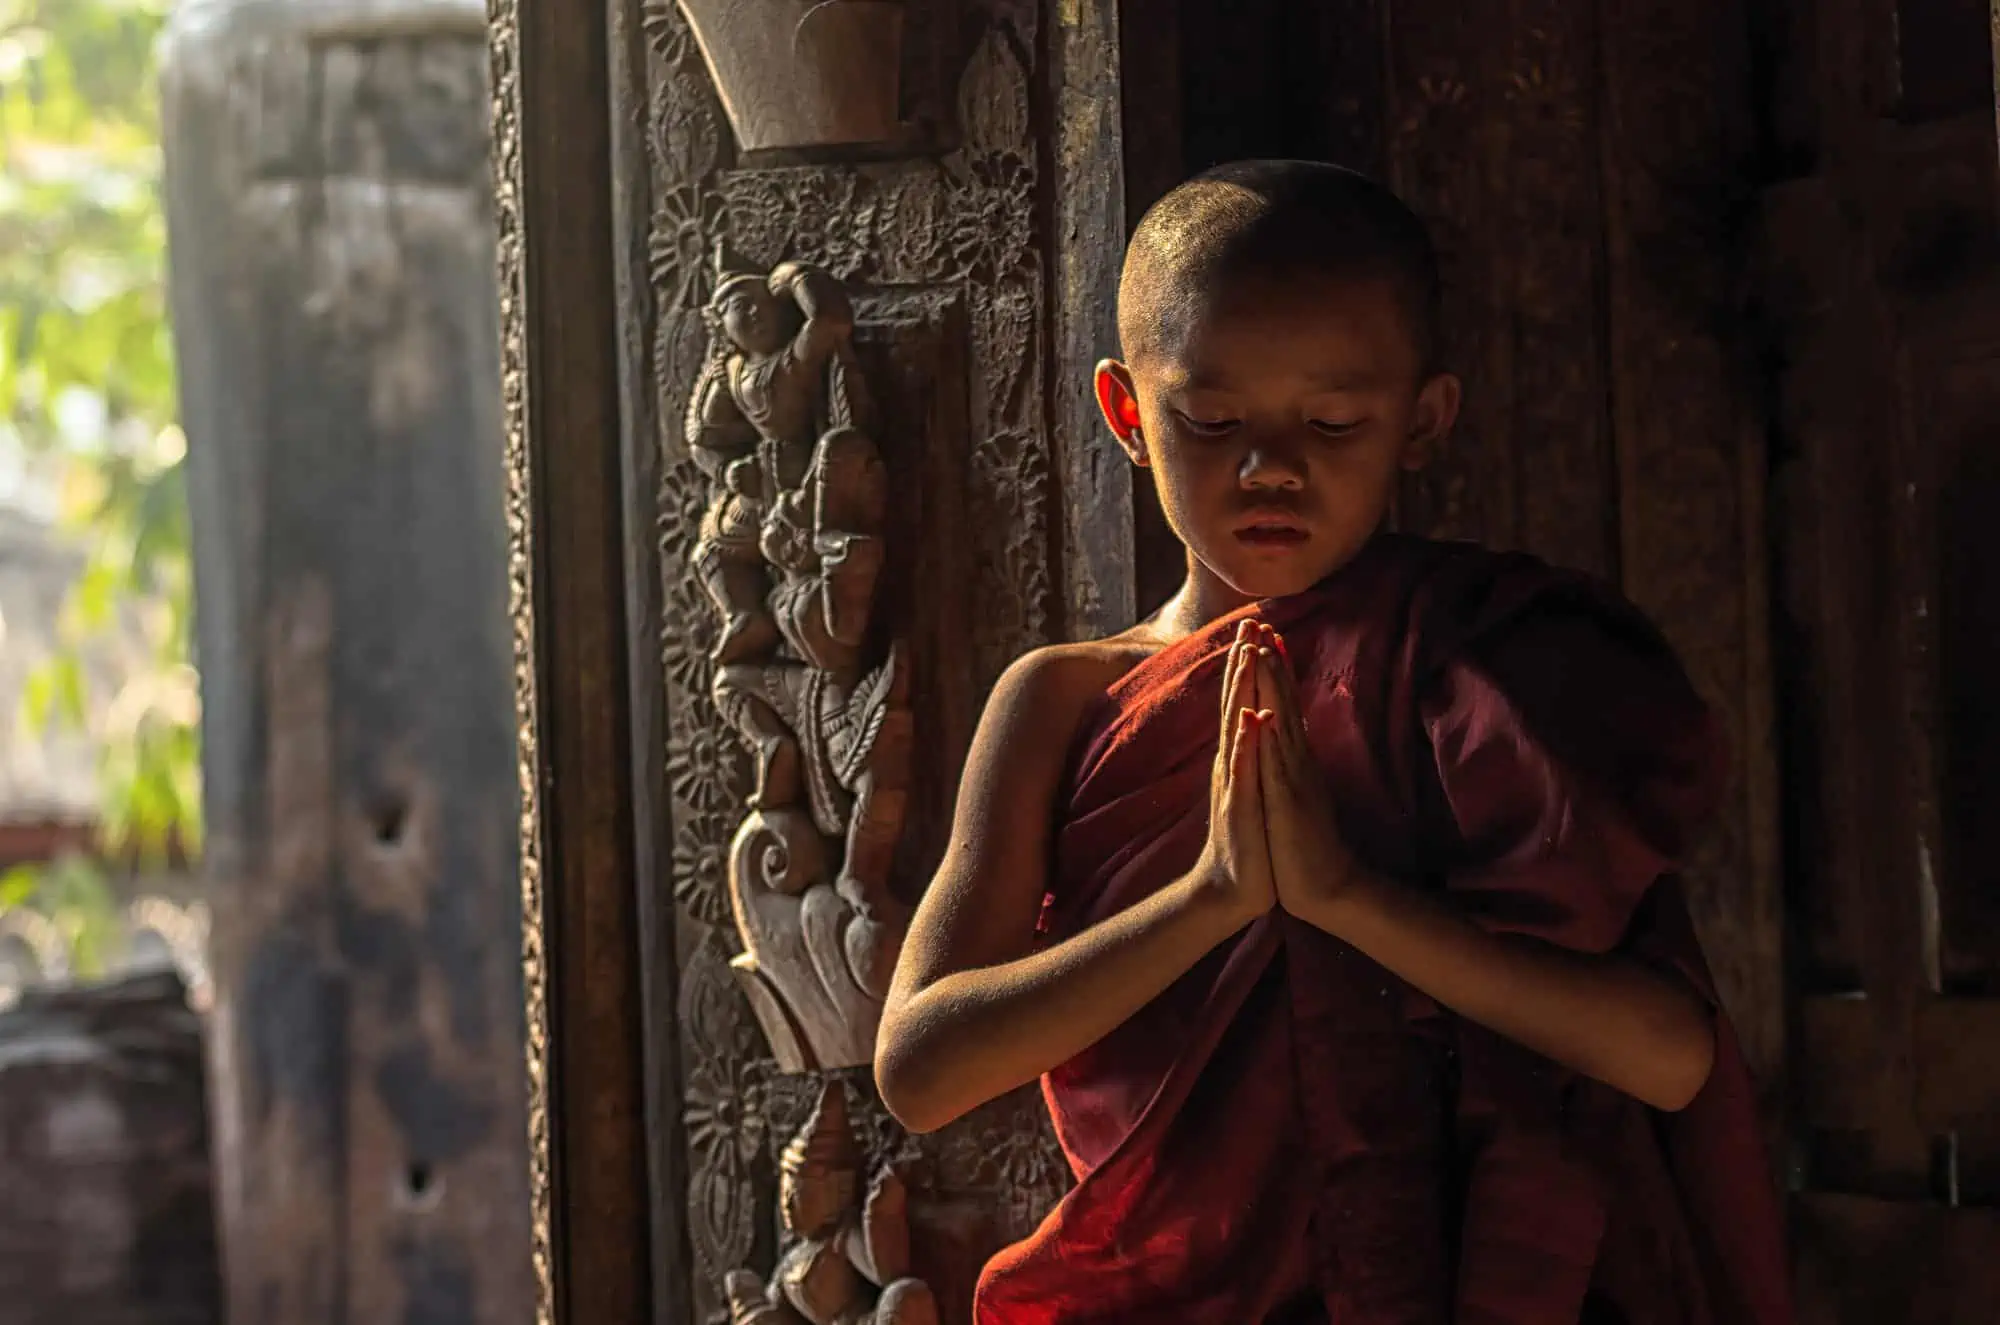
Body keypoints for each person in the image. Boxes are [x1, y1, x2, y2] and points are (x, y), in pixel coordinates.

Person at [873, 160, 1793, 1324]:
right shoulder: (1061, 702)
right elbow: (919, 1066)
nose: (1271, 467)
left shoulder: (1478, 667)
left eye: (1332, 422)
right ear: (1125, 414)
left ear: (1423, 419)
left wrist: (1344, 895)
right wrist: (1209, 896)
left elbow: (1664, 1055)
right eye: (1209, 421)